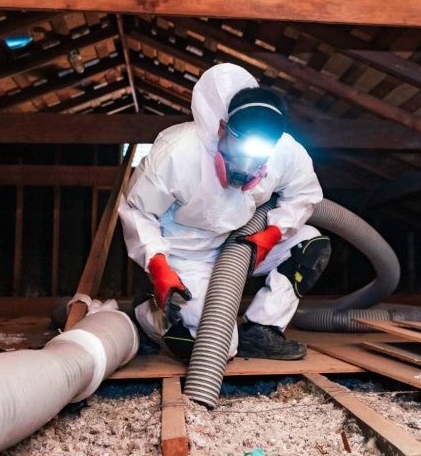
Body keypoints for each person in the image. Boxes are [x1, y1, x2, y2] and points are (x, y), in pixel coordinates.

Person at [119, 63, 331, 362]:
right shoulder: (178, 153)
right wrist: (157, 265)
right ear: (221, 128)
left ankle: (262, 328)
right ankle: (147, 314)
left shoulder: (286, 151)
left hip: (237, 244)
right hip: (184, 255)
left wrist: (272, 234)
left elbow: (305, 194)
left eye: (257, 157)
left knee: (309, 244)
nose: (245, 167)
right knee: (216, 346)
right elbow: (138, 212)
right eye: (238, 151)